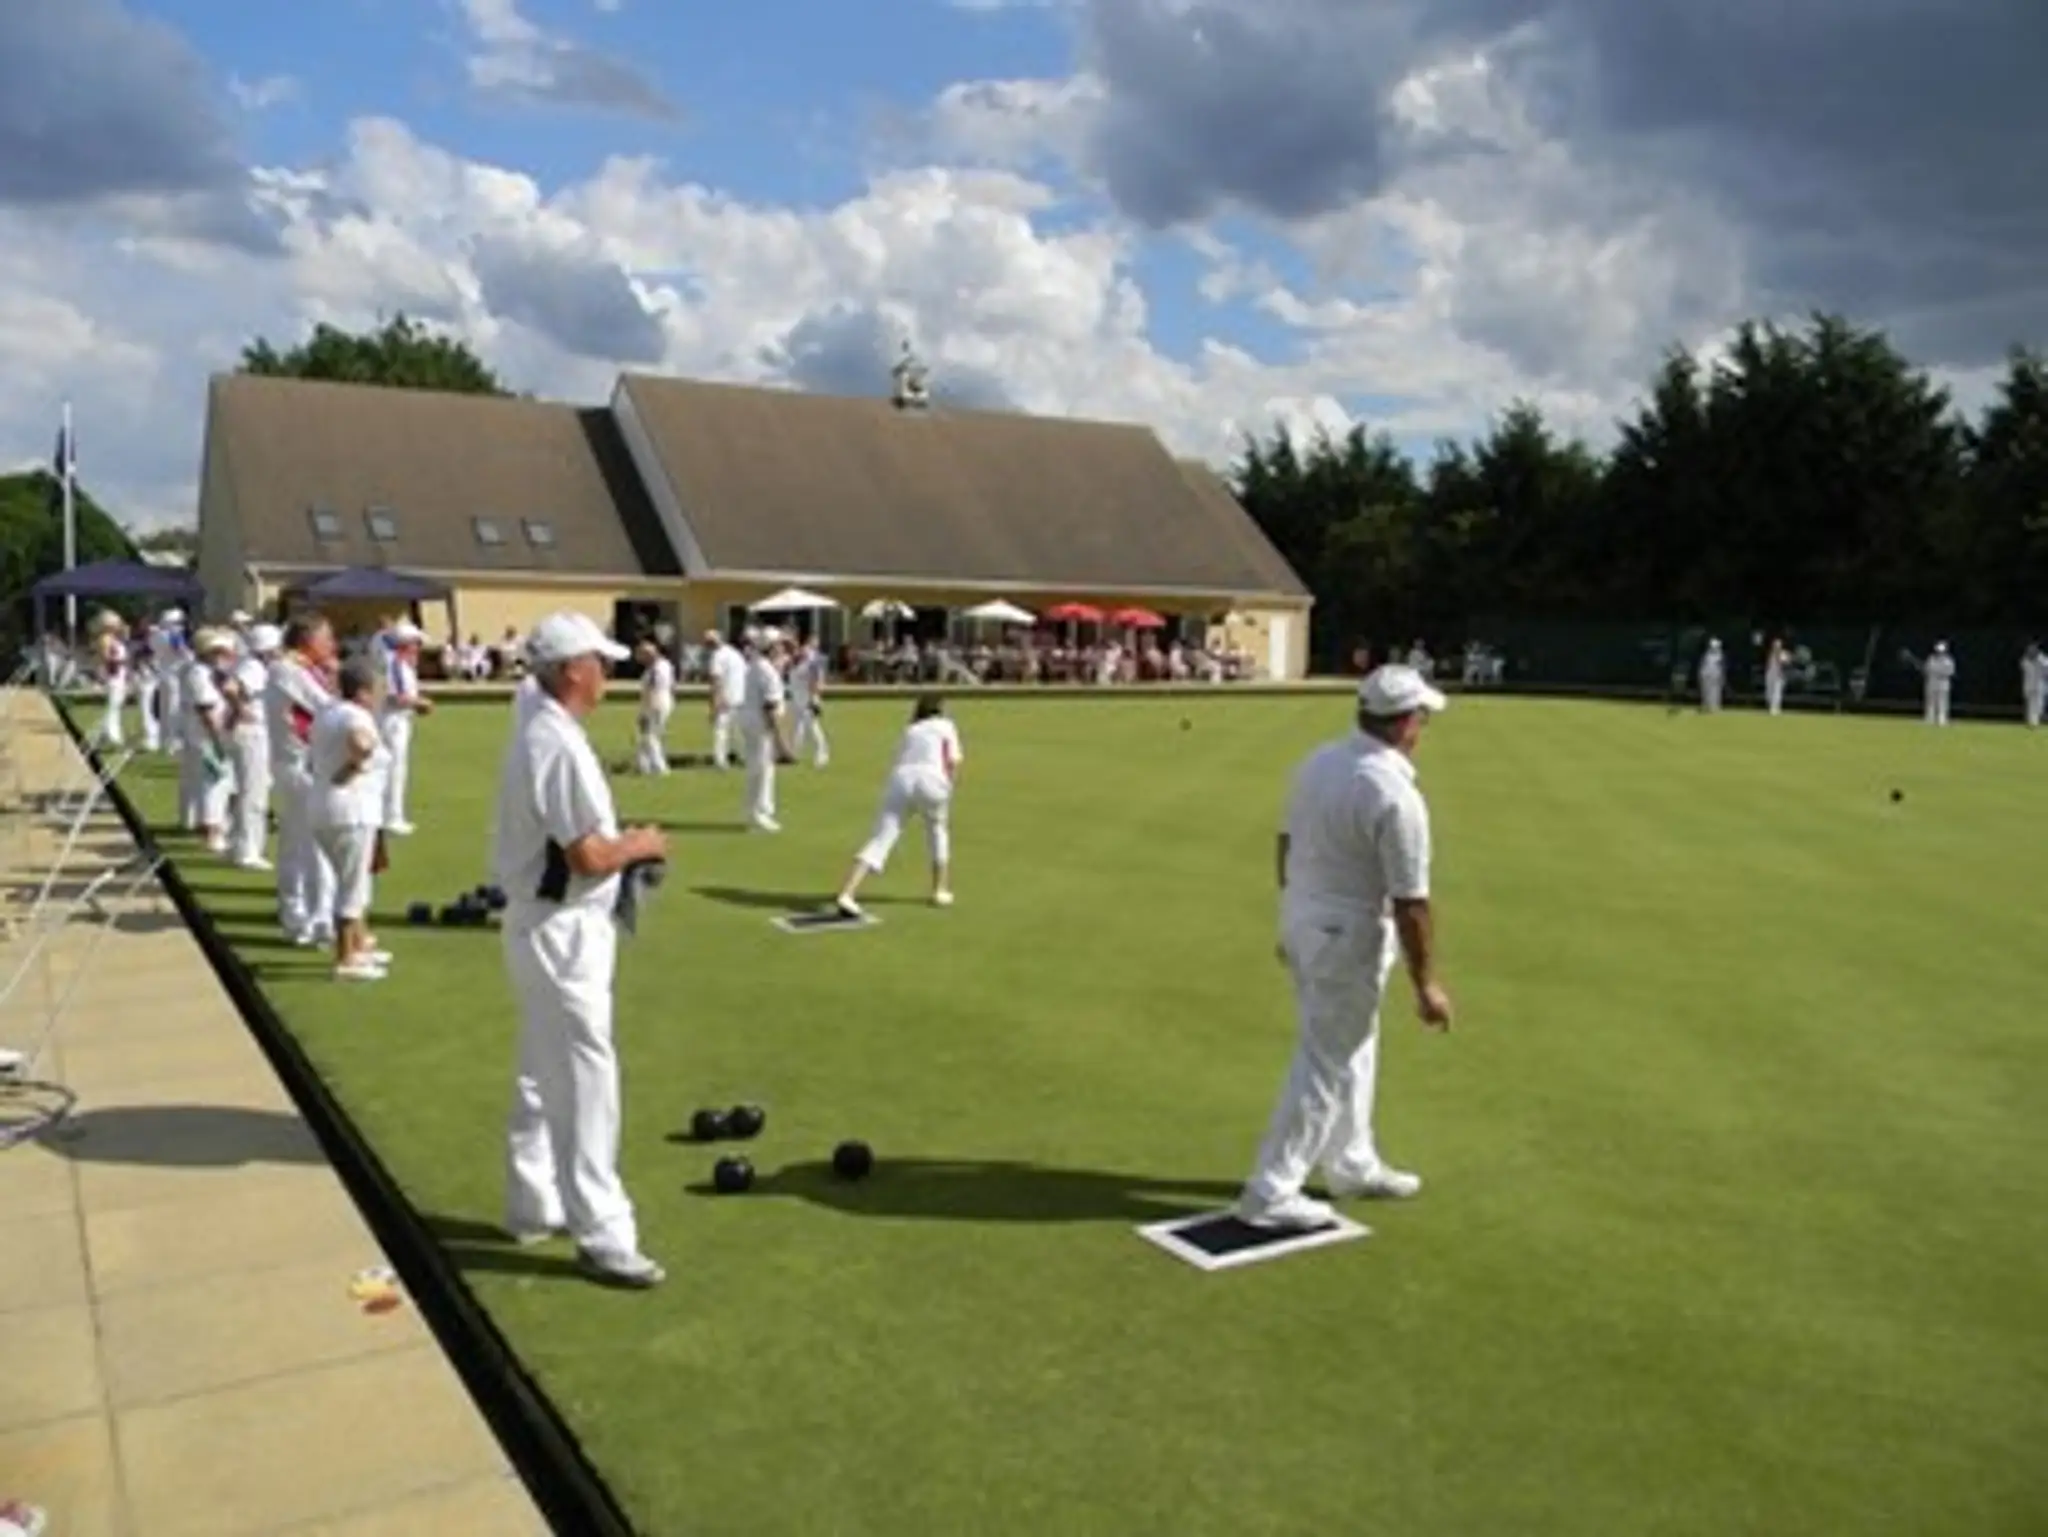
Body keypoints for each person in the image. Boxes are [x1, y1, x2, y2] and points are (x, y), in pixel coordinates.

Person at [1237, 664, 1456, 1232]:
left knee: (1353, 1045)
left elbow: (1285, 845)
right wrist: (1427, 985)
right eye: (1421, 717)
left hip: (1306, 917)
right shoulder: (1396, 797)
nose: (1423, 727)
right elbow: (1411, 903)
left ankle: (1351, 1163)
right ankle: (1271, 1190)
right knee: (1325, 1058)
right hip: (1345, 933)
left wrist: (1296, 912)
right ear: (1404, 724)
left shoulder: (1318, 762)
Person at [492, 611, 669, 1288]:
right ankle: (603, 1233)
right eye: (600, 662)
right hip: (562, 930)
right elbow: (589, 855)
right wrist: (641, 844)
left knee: (542, 1071)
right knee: (585, 1080)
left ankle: (533, 1203)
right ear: (572, 670)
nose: (608, 673)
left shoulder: (539, 725)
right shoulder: (556, 742)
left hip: (547, 924)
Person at [834, 694, 960, 916]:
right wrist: (948, 787)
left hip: (901, 780)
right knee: (937, 832)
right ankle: (939, 890)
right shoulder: (946, 725)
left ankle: (847, 893)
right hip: (932, 780)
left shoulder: (911, 730)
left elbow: (898, 760)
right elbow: (953, 760)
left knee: (881, 838)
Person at [307, 661, 392, 981]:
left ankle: (359, 945)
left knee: (354, 880)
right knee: (351, 886)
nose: (380, 695)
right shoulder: (357, 716)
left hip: (325, 807)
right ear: (362, 693)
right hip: (350, 811)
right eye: (376, 689)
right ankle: (345, 959)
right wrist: (354, 766)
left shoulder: (328, 713)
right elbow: (362, 743)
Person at [266, 615, 340, 948]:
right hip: (299, 764)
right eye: (327, 638)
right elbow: (325, 706)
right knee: (309, 843)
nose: (332, 645)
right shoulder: (287, 669)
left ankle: (308, 914)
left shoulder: (304, 669)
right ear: (308, 640)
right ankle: (308, 917)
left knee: (305, 842)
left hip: (309, 763)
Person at [225, 624, 280, 871]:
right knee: (254, 793)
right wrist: (241, 709)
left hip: (252, 732)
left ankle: (237, 843)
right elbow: (230, 688)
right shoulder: (254, 667)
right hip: (252, 733)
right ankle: (248, 851)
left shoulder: (251, 664)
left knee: (249, 790)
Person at [378, 621, 433, 835]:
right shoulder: (395, 664)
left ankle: (392, 814)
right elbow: (395, 697)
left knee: (396, 767)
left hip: (400, 720)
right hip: (394, 722)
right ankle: (392, 817)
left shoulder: (403, 665)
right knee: (394, 768)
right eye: (416, 643)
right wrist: (420, 703)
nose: (418, 648)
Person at [183, 629, 236, 850]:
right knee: (214, 781)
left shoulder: (210, 672)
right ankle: (212, 831)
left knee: (217, 781)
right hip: (207, 735)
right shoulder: (199, 674)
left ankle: (215, 825)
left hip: (211, 733)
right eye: (218, 652)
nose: (223, 656)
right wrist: (218, 739)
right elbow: (205, 710)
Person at [739, 633, 790, 831]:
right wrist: (781, 740)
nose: (782, 648)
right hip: (760, 725)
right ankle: (758, 814)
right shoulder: (766, 670)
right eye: (779, 644)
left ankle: (761, 810)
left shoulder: (758, 666)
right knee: (761, 769)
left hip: (753, 722)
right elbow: (769, 707)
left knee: (762, 768)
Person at [633, 639, 675, 775]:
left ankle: (659, 767)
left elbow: (652, 689)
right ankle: (644, 766)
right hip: (663, 701)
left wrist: (646, 711)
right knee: (647, 736)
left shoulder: (656, 669)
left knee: (650, 736)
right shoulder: (665, 665)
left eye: (642, 656)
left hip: (655, 703)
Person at [706, 629, 745, 768]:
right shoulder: (735, 653)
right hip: (740, 696)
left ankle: (720, 760)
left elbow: (716, 680)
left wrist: (715, 700)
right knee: (738, 730)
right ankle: (741, 755)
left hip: (726, 697)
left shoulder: (717, 657)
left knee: (721, 730)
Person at [789, 638, 831, 767]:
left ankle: (822, 752)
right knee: (797, 727)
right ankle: (794, 753)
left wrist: (813, 700)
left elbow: (815, 683)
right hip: (797, 699)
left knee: (812, 727)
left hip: (808, 699)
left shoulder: (812, 664)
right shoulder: (796, 662)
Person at [1923, 640, 1956, 726]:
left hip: (1943, 683)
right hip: (1932, 682)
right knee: (1930, 701)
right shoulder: (1931, 659)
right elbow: (1927, 669)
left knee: (1942, 701)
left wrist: (1938, 672)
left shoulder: (1948, 661)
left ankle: (1942, 719)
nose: (1939, 653)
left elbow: (1950, 672)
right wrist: (1928, 670)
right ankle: (1930, 718)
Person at [1763, 636, 1789, 716]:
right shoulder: (1771, 654)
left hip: (1778, 675)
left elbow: (1784, 663)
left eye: (1777, 646)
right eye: (1775, 646)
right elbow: (1768, 665)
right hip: (1770, 674)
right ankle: (1771, 706)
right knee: (1769, 691)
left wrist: (1781, 658)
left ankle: (1775, 708)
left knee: (1777, 692)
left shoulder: (1783, 654)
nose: (1776, 647)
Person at [1698, 637, 1725, 713]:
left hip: (1712, 674)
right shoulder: (1712, 655)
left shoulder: (1712, 654)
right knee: (1710, 691)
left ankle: (1711, 706)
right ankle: (1709, 706)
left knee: (1712, 691)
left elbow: (1721, 666)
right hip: (1710, 674)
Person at [2023, 642, 2045, 729]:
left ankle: (2035, 722)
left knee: (2038, 705)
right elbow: (2024, 666)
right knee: (2030, 705)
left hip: (2039, 685)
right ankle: (2032, 722)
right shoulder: (2026, 661)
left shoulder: (2041, 660)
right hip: (2029, 686)